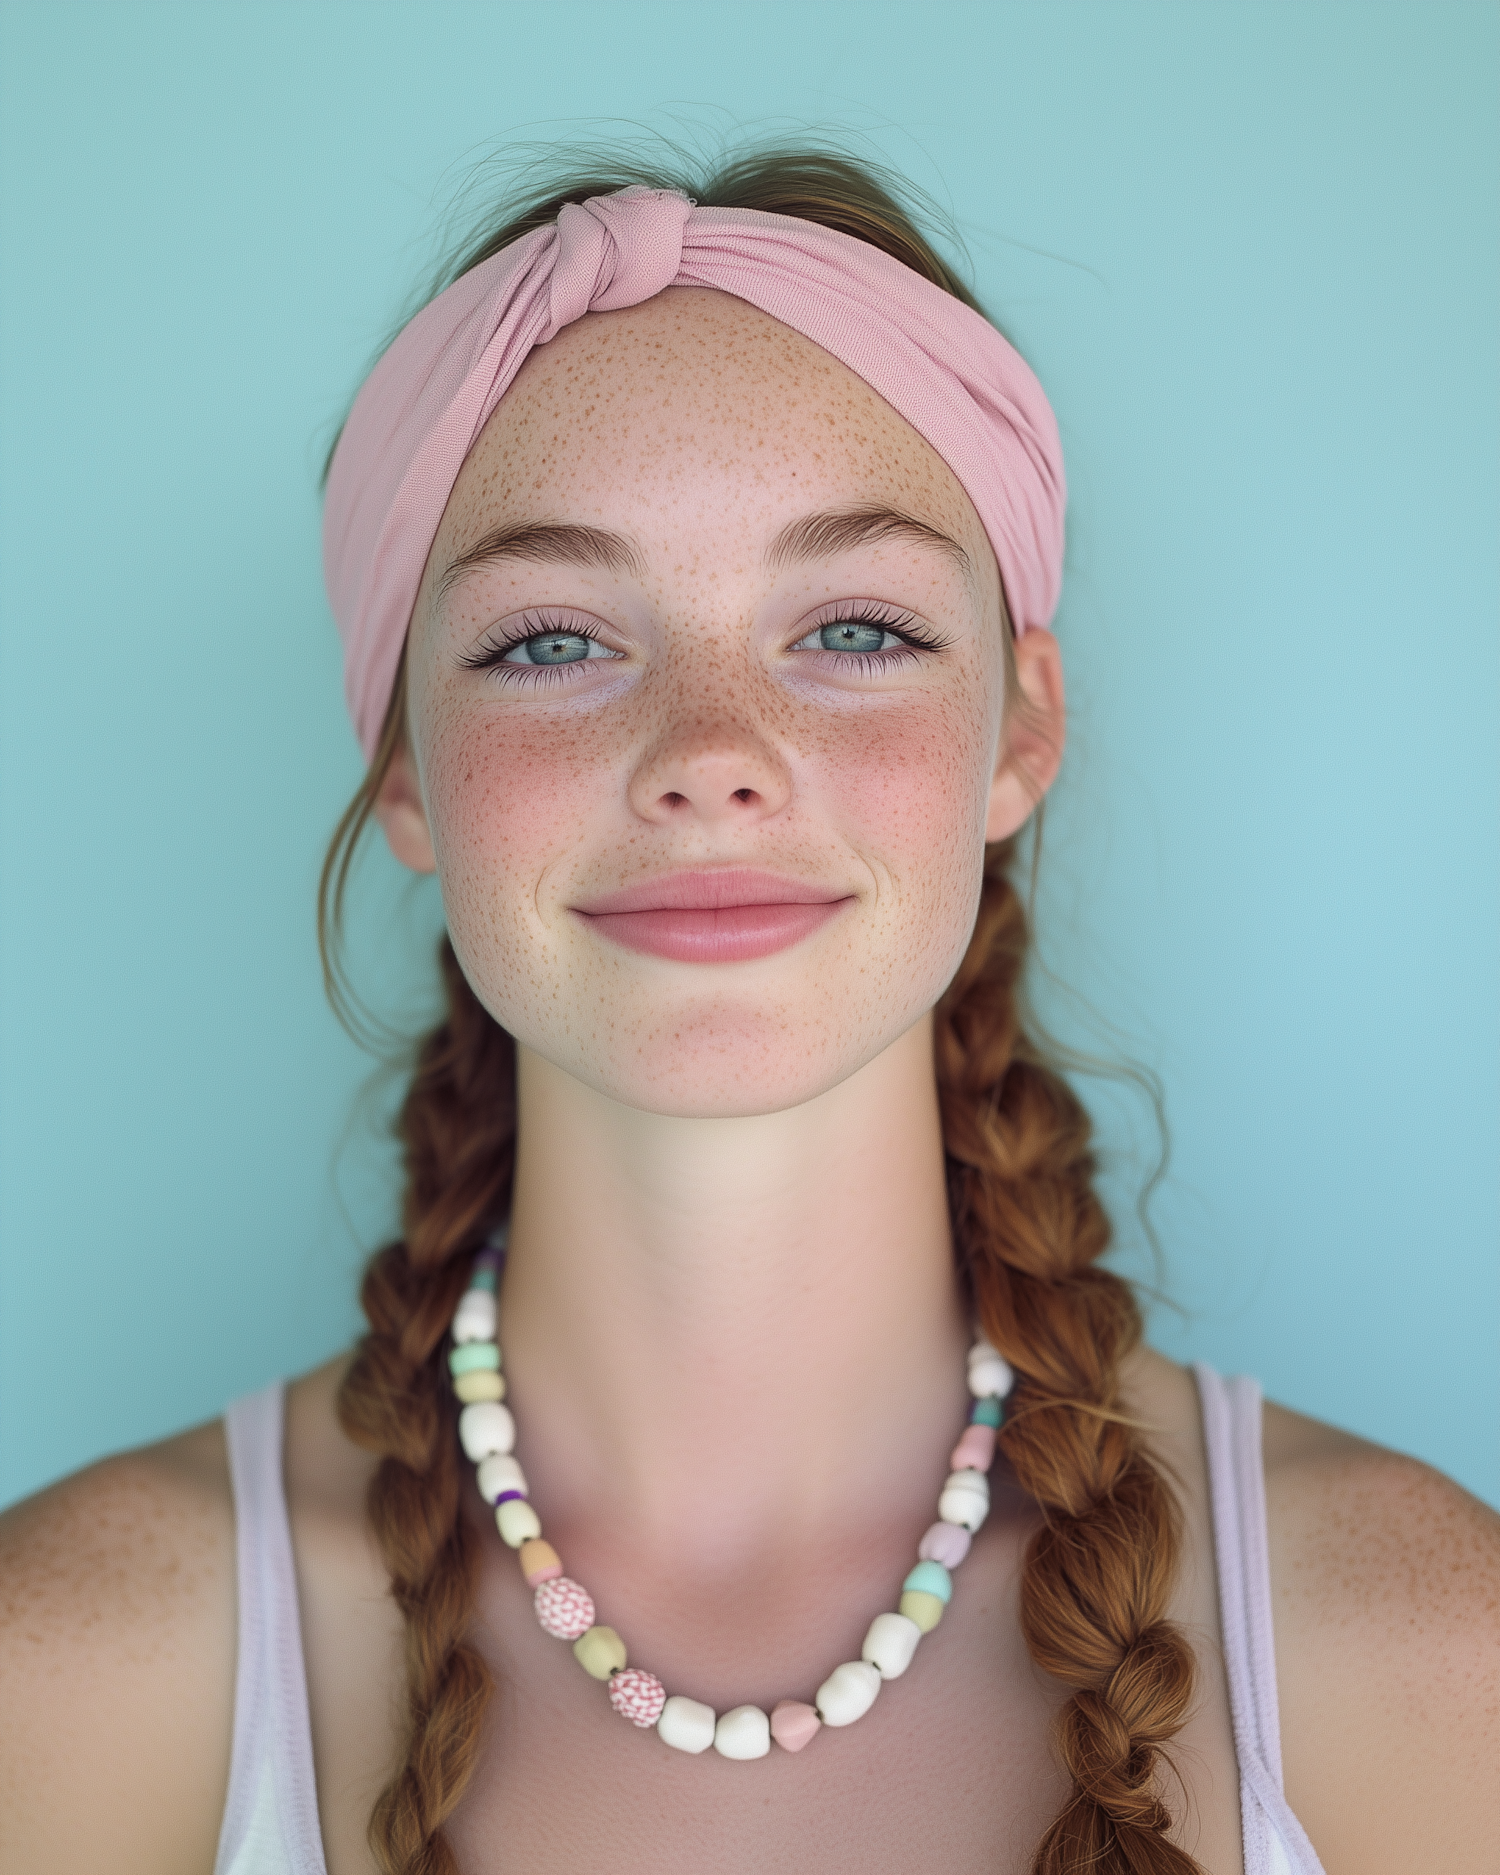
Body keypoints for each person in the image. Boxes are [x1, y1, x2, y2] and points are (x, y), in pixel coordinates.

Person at [0, 146, 1495, 1875]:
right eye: (553, 641)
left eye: (854, 624)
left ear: (1019, 729)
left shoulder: (1432, 1652)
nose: (711, 754)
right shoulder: (68, 1676)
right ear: (403, 768)